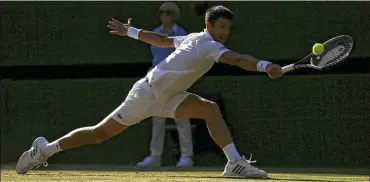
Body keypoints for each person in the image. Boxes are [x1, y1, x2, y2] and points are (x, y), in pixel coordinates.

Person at [16, 5, 283, 178]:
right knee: (100, 134)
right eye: (221, 27)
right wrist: (265, 65)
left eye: (228, 28)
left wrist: (130, 30)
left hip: (171, 96)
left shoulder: (193, 38)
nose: (225, 32)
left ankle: (234, 163)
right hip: (147, 94)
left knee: (209, 109)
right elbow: (236, 59)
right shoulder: (205, 44)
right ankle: (43, 151)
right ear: (209, 26)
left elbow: (164, 41)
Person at [137, 2, 194, 168]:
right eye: (162, 12)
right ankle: (155, 157)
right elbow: (156, 59)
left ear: (174, 15)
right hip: (158, 81)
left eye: (168, 12)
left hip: (176, 80)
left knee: (181, 117)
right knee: (157, 118)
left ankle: (186, 157)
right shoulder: (154, 33)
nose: (165, 15)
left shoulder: (181, 34)